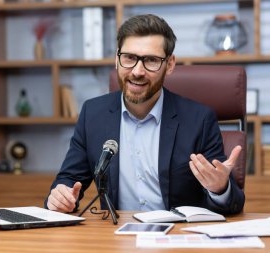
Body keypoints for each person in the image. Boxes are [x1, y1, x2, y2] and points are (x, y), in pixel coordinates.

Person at [44, 14, 245, 214]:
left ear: (170, 64)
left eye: (151, 60)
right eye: (129, 58)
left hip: (176, 238)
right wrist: (60, 197)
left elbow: (233, 203)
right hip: (114, 238)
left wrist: (220, 188)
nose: (138, 71)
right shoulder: (92, 114)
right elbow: (68, 181)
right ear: (117, 59)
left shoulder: (199, 119)